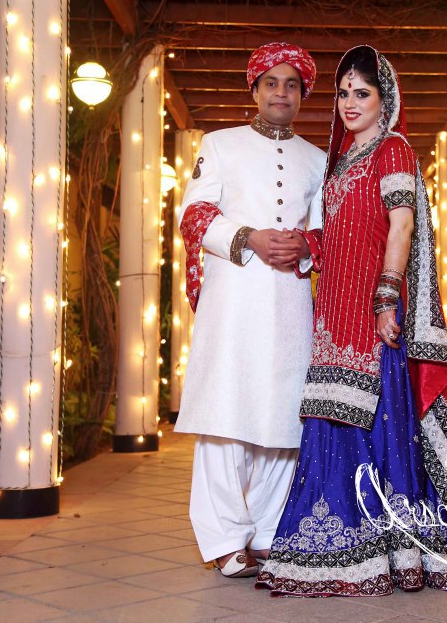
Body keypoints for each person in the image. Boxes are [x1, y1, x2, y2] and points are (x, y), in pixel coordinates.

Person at [256, 45, 447, 597]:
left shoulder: (393, 150)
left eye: (362, 93)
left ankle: (388, 553)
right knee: (330, 423)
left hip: (373, 313)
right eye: (343, 93)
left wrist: (386, 297)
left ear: (387, 99)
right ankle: (329, 546)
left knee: (376, 428)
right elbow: (340, 235)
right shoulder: (341, 161)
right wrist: (306, 245)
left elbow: (401, 226)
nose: (349, 103)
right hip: (333, 314)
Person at [176, 42, 326, 578]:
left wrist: (306, 245)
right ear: (255, 90)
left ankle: (265, 531)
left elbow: (326, 230)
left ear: (302, 94)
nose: (281, 92)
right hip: (233, 296)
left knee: (283, 415)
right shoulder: (219, 144)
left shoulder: (318, 160)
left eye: (291, 85)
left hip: (289, 301)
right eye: (271, 83)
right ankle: (223, 538)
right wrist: (248, 237)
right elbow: (193, 214)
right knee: (226, 413)